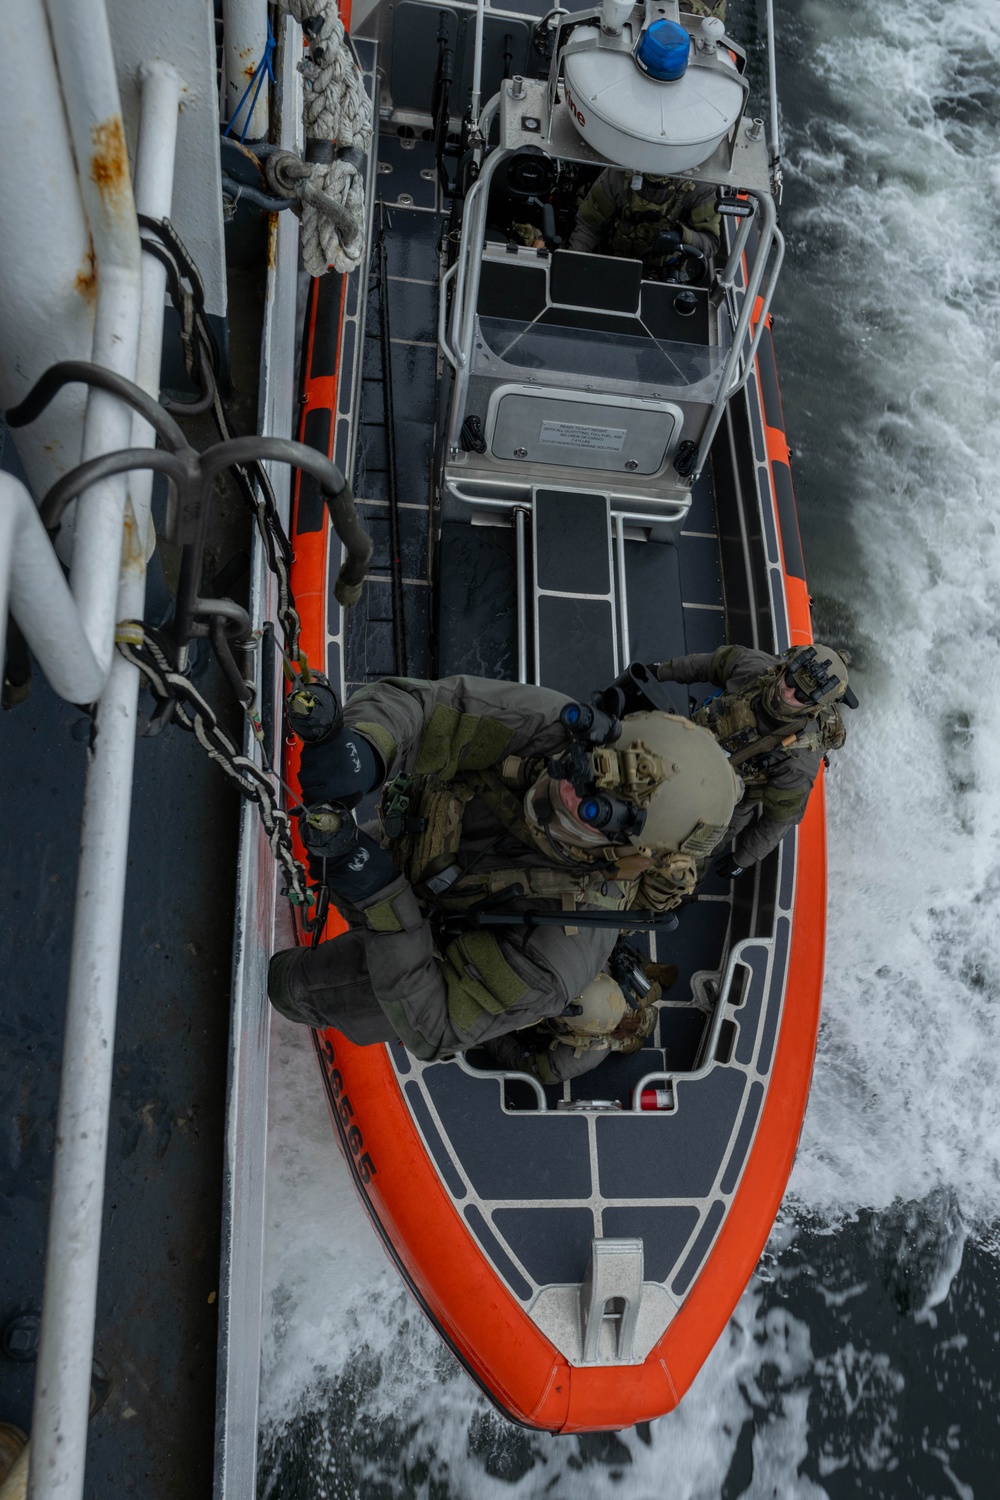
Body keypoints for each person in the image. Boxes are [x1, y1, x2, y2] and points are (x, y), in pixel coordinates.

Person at [268, 674, 740, 1080]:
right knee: (316, 857)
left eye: (596, 813)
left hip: (415, 955)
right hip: (403, 849)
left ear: (632, 856)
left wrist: (378, 894)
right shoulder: (556, 728)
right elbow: (435, 708)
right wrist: (368, 746)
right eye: (584, 768)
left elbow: (435, 1024)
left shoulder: (561, 956)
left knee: (293, 988)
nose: (571, 793)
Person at [648, 644, 857, 877]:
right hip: (691, 747)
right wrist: (660, 671)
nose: (787, 693)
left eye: (801, 696)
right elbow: (708, 664)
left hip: (727, 804)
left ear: (815, 707)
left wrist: (743, 859)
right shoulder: (754, 667)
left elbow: (778, 821)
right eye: (789, 680)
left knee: (681, 866)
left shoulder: (798, 761)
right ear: (784, 668)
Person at [567, 167, 721, 275]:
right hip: (611, 265)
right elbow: (588, 226)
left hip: (663, 276)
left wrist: (680, 236)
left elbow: (711, 242)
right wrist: (572, 264)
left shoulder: (699, 186)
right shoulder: (618, 174)